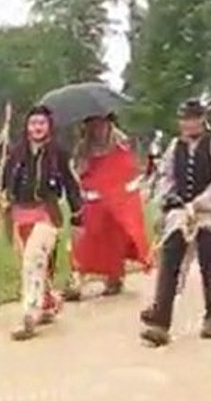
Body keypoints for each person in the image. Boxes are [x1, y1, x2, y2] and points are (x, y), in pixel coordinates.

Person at [139, 99, 211, 347]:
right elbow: (167, 177)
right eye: (185, 119)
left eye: (193, 118)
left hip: (206, 213)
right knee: (170, 262)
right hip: (181, 214)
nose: (189, 124)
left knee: (210, 264)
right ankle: (161, 322)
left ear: (202, 120)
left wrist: (204, 202)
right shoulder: (175, 147)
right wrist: (168, 198)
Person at [1, 104, 83, 341]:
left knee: (33, 260)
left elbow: (71, 183)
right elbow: (6, 182)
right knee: (35, 264)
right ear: (27, 127)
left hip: (47, 214)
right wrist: (2, 193)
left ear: (49, 127)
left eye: (41, 123)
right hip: (20, 215)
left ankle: (30, 313)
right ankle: (47, 302)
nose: (37, 128)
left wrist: (78, 212)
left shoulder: (59, 153)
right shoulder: (16, 153)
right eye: (33, 123)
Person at [64, 113, 151, 300]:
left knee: (116, 239)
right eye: (93, 125)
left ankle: (114, 276)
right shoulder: (83, 149)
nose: (98, 129)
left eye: (101, 124)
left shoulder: (121, 147)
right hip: (94, 202)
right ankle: (78, 279)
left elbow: (127, 171)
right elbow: (78, 174)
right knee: (87, 240)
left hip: (118, 202)